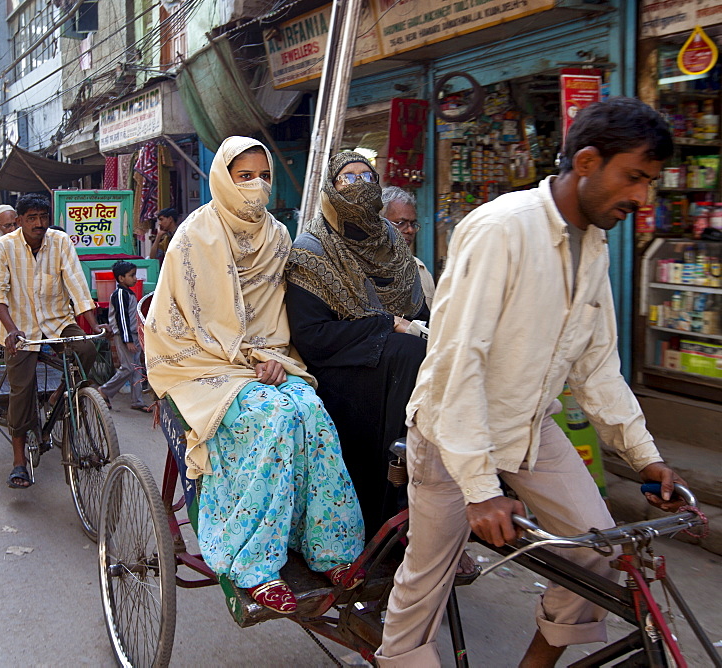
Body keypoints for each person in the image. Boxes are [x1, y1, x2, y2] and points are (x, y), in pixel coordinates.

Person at [375, 98, 689, 667]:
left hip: (529, 428)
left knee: (597, 550)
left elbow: (596, 365)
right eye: (635, 179)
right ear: (588, 161)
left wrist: (644, 456)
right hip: (450, 432)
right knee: (427, 582)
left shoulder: (593, 244)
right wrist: (480, 489)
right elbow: (457, 363)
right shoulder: (502, 229)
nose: (642, 199)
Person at [144, 136, 364, 616]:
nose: (256, 186)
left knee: (312, 412)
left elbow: (270, 319)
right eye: (244, 177)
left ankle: (332, 549)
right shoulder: (194, 235)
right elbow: (197, 325)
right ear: (223, 179)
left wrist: (272, 359)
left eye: (263, 176)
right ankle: (253, 564)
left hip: (260, 361)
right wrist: (251, 359)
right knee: (273, 420)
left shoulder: (278, 237)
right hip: (198, 363)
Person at [286, 152, 430, 541]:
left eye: (367, 177)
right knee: (409, 354)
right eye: (347, 179)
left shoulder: (393, 246)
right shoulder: (310, 251)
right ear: (331, 189)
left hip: (395, 364)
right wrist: (385, 325)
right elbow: (312, 338)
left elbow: (422, 315)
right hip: (338, 370)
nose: (359, 185)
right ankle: (385, 510)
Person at [0, 194, 109, 489]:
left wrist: (94, 324)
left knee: (86, 349)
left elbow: (77, 284)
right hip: (21, 328)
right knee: (22, 391)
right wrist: (12, 330)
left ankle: (58, 397)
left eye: (43, 217)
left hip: (58, 320)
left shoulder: (61, 241)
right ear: (19, 221)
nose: (39, 224)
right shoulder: (2, 247)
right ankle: (19, 462)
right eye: (31, 218)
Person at [97, 261, 150, 413]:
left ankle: (137, 401)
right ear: (121, 278)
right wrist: (128, 340)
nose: (135, 278)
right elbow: (122, 319)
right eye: (131, 275)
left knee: (136, 369)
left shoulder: (128, 293)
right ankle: (105, 390)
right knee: (127, 368)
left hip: (132, 334)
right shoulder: (120, 294)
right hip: (123, 336)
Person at [381, 186, 435, 307]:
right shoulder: (361, 267)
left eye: (413, 224)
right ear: (379, 223)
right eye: (401, 223)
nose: (410, 230)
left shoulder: (420, 270)